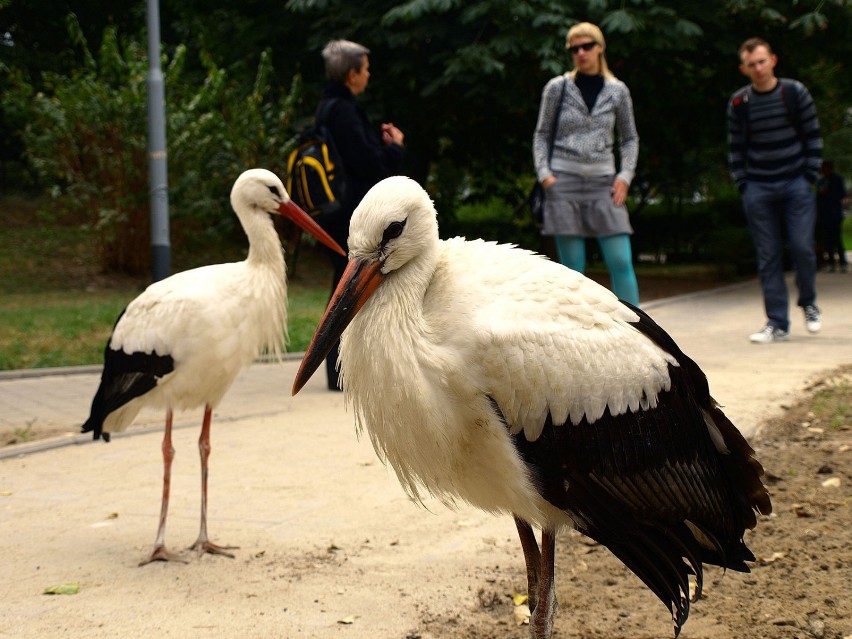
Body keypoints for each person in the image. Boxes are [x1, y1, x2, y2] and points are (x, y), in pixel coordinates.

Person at [315, 39, 405, 389]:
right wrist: (395, 148)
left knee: (343, 283)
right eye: (365, 68)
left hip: (333, 208)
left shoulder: (326, 106)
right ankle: (341, 371)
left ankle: (340, 370)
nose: (368, 74)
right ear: (352, 73)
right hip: (349, 212)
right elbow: (368, 167)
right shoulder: (343, 110)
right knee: (349, 286)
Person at [532, 21, 640, 306]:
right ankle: (578, 340)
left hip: (605, 183)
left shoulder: (618, 91)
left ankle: (643, 334)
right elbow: (541, 134)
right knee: (573, 272)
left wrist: (625, 175)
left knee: (620, 260)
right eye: (574, 48)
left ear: (600, 48)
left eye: (587, 46)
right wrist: (545, 175)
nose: (581, 53)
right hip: (562, 182)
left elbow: (629, 138)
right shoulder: (558, 88)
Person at [727, 37, 824, 344]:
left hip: (796, 182)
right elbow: (735, 148)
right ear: (744, 69)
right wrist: (743, 183)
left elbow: (813, 135)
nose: (758, 68)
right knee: (768, 256)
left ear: (773, 60)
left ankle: (808, 302)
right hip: (758, 186)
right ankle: (777, 322)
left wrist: (809, 174)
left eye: (762, 61)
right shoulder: (740, 103)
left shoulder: (794, 92)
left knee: (802, 247)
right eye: (751, 64)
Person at [816, 160, 848, 273]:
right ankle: (831, 262)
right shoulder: (821, 180)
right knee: (828, 240)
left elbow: (842, 194)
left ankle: (842, 262)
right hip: (824, 214)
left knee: (837, 238)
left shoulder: (837, 179)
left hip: (835, 212)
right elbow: (818, 196)